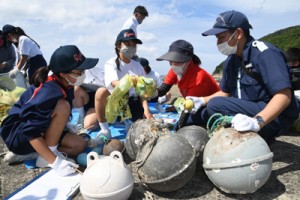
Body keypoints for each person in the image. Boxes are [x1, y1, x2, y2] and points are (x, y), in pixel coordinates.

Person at [184, 10, 299, 144]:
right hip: (250, 108)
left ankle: (257, 136)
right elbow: (225, 92)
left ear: (238, 33)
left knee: (215, 105)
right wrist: (202, 100)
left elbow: (283, 96)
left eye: (221, 37)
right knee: (197, 113)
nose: (218, 42)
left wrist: (257, 121)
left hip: (275, 116)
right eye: (216, 38)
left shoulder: (265, 54)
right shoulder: (230, 61)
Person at [0, 45, 99, 176]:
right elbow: (30, 131)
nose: (83, 74)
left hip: (40, 128)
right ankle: (45, 156)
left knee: (79, 145)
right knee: (63, 106)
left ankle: (35, 154)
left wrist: (66, 124)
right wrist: (56, 162)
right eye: (79, 71)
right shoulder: (48, 90)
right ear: (64, 73)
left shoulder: (66, 82)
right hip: (18, 134)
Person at [93, 29, 153, 139]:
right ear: (118, 46)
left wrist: (146, 110)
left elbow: (142, 92)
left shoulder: (138, 66)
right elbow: (114, 83)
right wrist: (130, 80)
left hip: (133, 103)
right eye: (128, 44)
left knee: (144, 130)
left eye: (134, 45)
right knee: (101, 92)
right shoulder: (111, 63)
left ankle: (128, 122)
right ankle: (105, 129)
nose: (131, 47)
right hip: (116, 103)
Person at [156, 39, 220, 108]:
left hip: (213, 105)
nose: (173, 65)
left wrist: (179, 109)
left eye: (177, 61)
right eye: (171, 61)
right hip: (192, 102)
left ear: (188, 61)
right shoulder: (174, 69)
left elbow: (190, 105)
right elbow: (163, 89)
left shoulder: (199, 77)